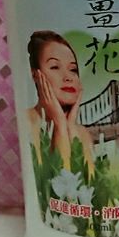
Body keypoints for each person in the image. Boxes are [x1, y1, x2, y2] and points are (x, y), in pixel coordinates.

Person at [26, 30, 95, 175]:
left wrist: (68, 127)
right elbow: (57, 182)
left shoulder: (81, 133)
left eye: (73, 69)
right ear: (35, 75)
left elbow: (87, 184)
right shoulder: (24, 123)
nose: (68, 77)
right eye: (55, 67)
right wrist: (59, 125)